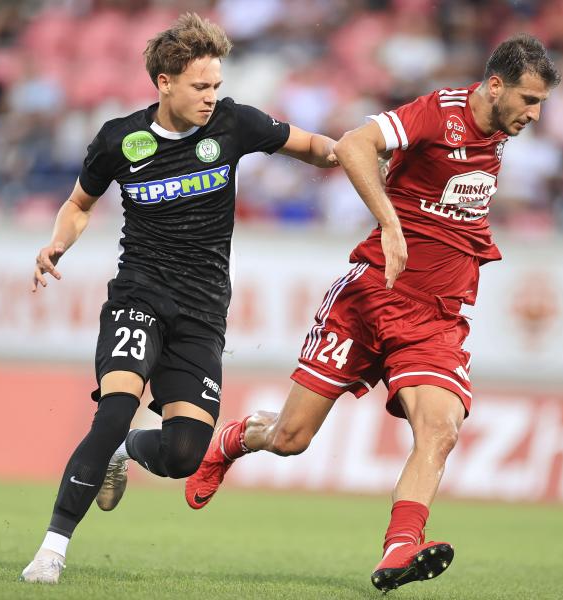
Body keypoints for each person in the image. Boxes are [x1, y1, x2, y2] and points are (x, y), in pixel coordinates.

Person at [184, 34, 561, 592]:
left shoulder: (498, 129)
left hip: (435, 318)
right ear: (495, 86)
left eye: (542, 104)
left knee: (441, 429)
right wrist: (389, 223)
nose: (535, 115)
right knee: (290, 438)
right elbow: (355, 144)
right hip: (369, 299)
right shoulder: (439, 112)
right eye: (529, 100)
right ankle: (234, 439)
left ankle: (400, 546)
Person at [20, 12, 337, 584]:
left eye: (216, 84)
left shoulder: (234, 124)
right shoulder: (119, 139)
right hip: (139, 295)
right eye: (200, 86)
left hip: (202, 313)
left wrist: (354, 154)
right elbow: (79, 204)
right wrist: (57, 244)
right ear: (164, 83)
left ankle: (122, 452)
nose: (212, 96)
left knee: (186, 453)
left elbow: (312, 145)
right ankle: (50, 551)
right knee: (114, 409)